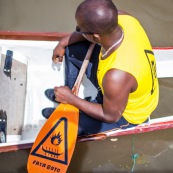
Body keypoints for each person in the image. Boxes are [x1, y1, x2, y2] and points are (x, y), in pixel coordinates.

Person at [42, 0, 159, 136]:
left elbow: (110, 116)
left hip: (124, 113)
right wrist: (62, 43)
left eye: (80, 30)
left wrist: (71, 100)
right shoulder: (125, 18)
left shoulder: (116, 76)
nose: (77, 31)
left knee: (72, 127)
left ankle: (69, 99)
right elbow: (84, 36)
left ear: (96, 36)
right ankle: (70, 94)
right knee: (71, 49)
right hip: (115, 83)